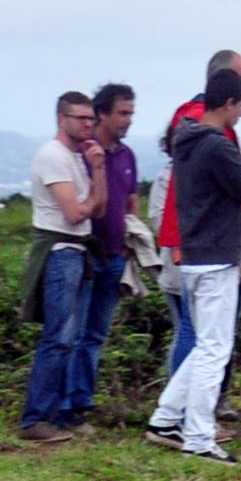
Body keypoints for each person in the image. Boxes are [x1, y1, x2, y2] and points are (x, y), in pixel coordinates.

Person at [145, 71, 241, 464]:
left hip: (194, 258)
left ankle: (164, 419)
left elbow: (227, 177)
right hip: (216, 261)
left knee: (204, 346)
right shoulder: (214, 145)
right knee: (215, 350)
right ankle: (198, 437)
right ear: (228, 102)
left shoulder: (189, 139)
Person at [16, 92, 107, 443]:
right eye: (81, 118)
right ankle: (36, 419)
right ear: (61, 119)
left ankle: (52, 415)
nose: (88, 124)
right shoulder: (53, 156)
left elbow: (97, 210)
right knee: (58, 337)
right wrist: (88, 202)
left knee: (68, 338)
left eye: (90, 119)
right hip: (62, 253)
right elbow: (74, 213)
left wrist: (98, 169)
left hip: (77, 251)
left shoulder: (79, 157)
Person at [67, 82, 138, 429]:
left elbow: (131, 200)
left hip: (115, 256)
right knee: (75, 332)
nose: (128, 120)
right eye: (122, 113)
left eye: (131, 113)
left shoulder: (126, 156)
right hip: (85, 256)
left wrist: (129, 242)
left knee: (94, 334)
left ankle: (82, 402)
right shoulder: (83, 154)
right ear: (103, 113)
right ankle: (65, 405)